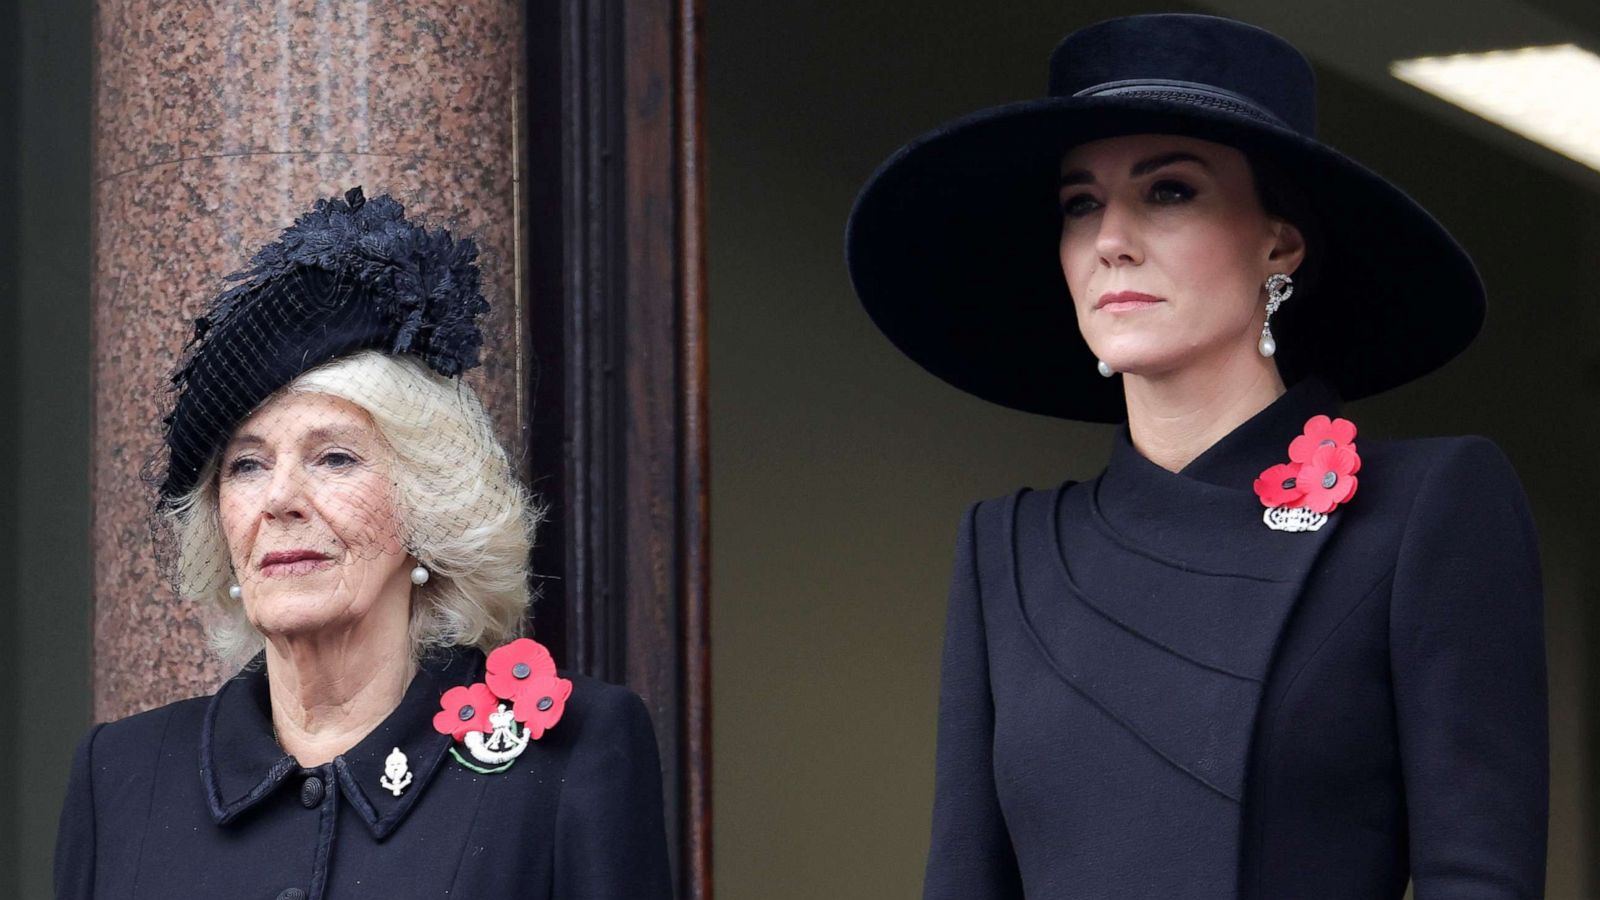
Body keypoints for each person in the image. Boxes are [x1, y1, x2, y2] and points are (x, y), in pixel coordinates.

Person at [845, 14, 1547, 900]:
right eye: (1079, 204)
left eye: (1169, 191)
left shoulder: (1424, 508)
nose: (1111, 240)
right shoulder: (1008, 551)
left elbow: (1478, 877)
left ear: (1278, 243)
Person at [54, 188, 674, 899]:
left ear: (427, 508)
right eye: (247, 465)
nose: (280, 499)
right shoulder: (121, 779)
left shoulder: (568, 760)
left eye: (335, 458)